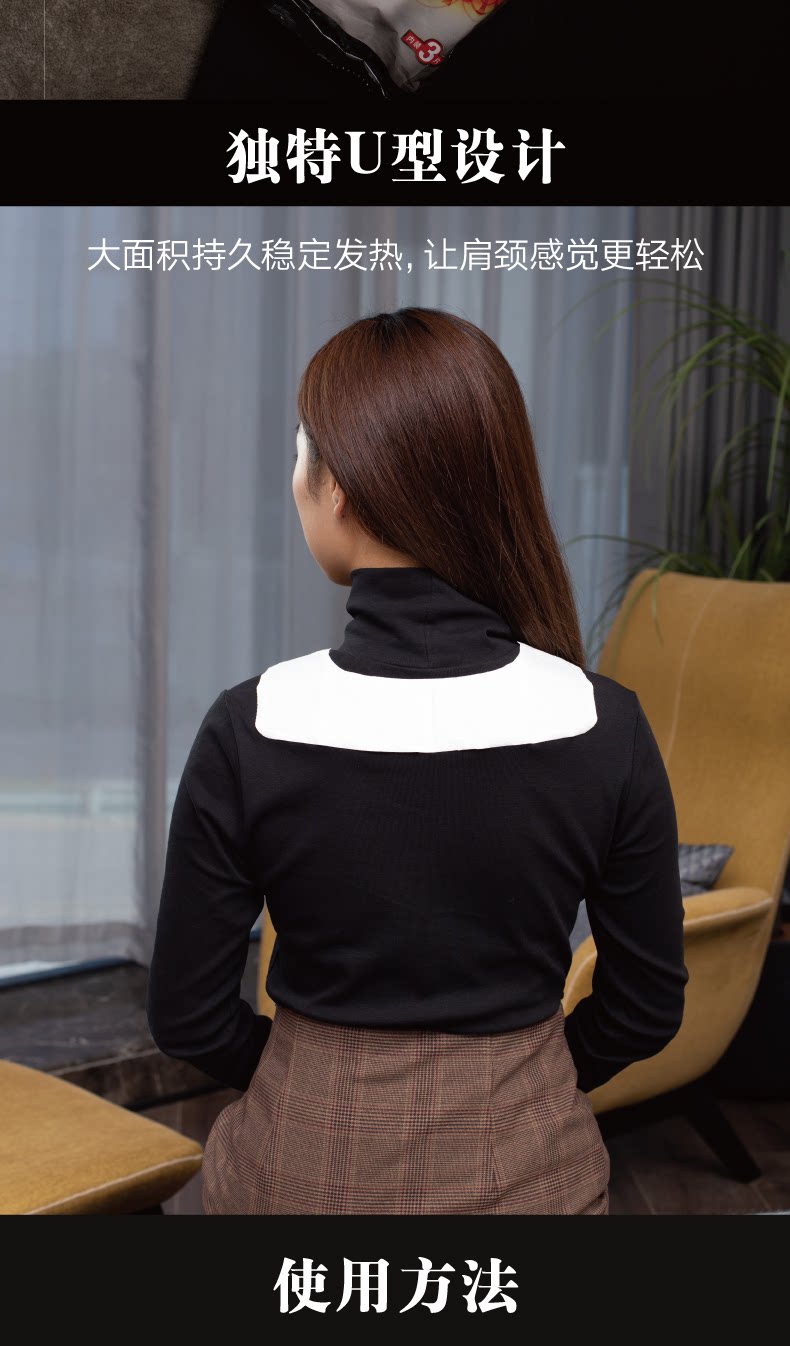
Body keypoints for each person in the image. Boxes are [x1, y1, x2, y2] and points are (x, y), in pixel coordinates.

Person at [147, 307, 688, 1216]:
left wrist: (303, 1076)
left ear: (339, 488)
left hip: (296, 1175)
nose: (295, 482)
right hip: (534, 1179)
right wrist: (527, 1080)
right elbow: (646, 1006)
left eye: (300, 456)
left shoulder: (251, 725)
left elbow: (187, 1016)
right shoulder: (606, 725)